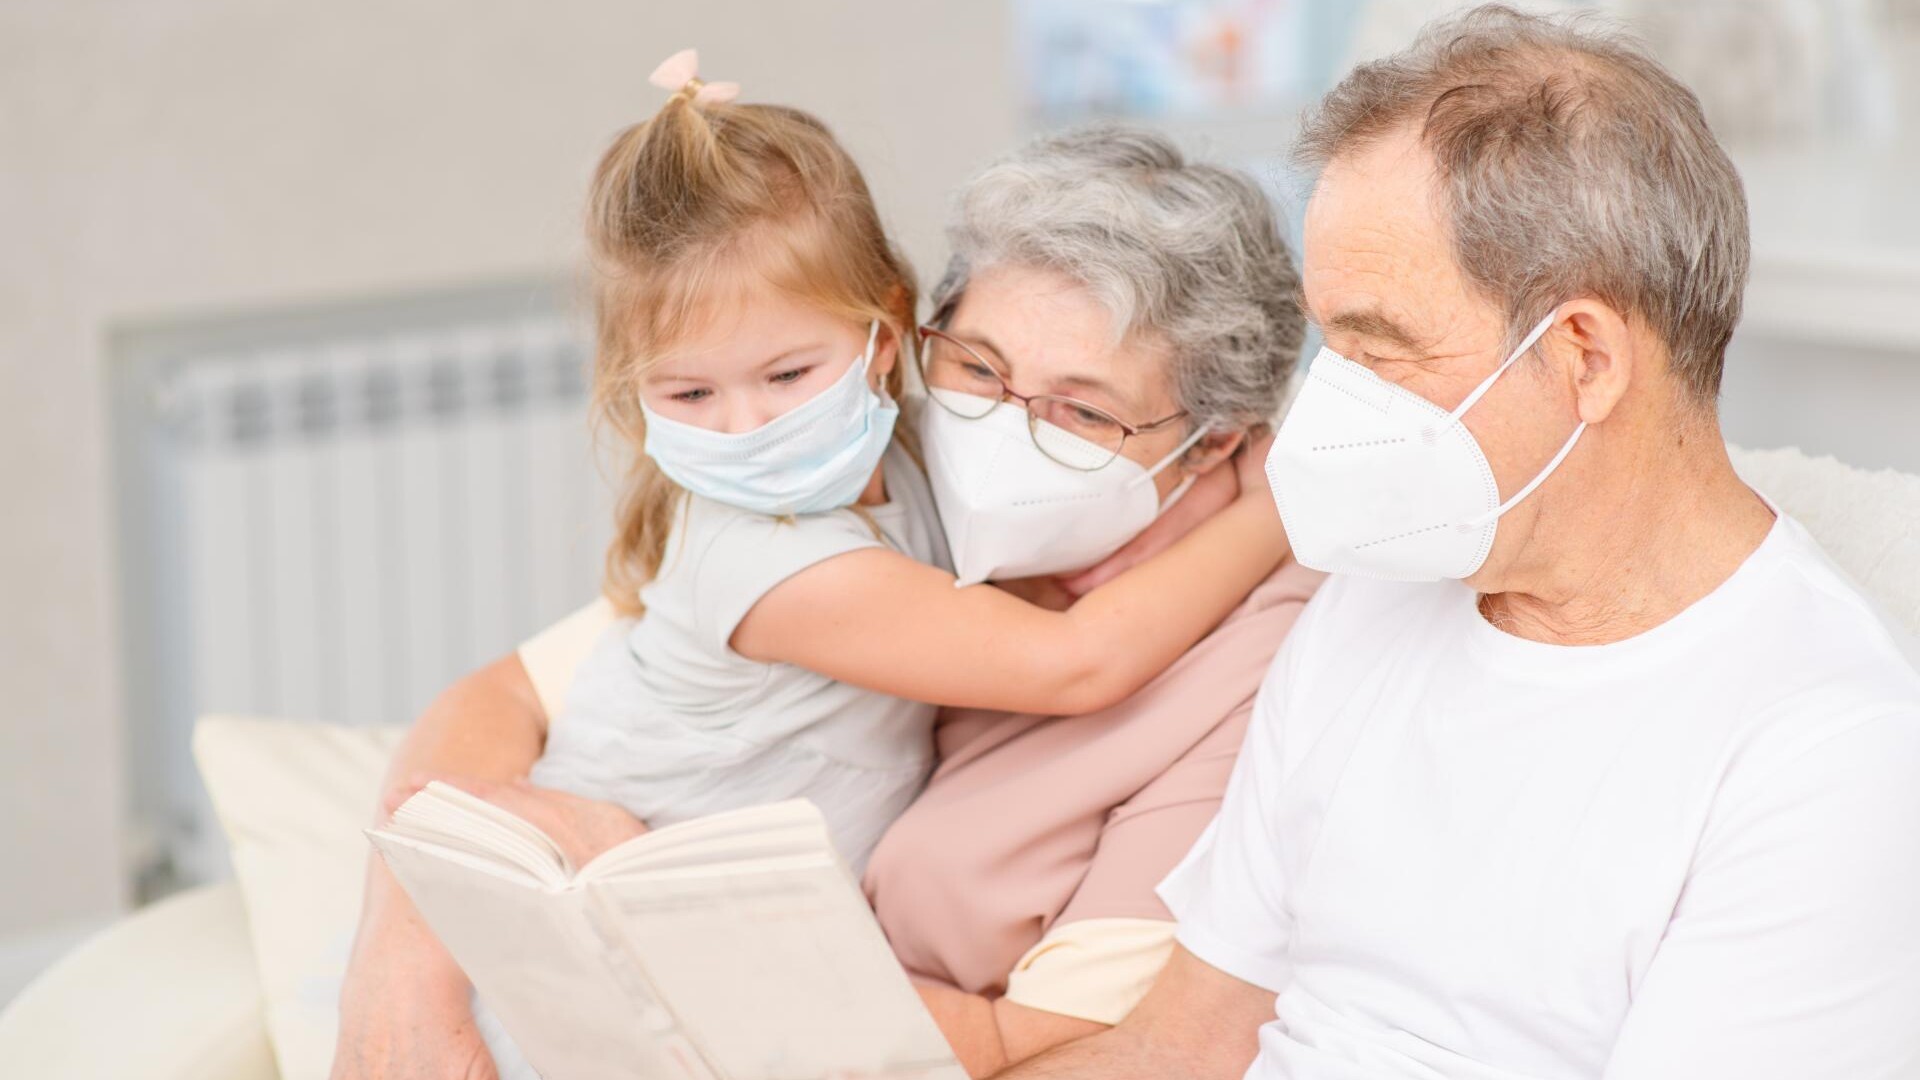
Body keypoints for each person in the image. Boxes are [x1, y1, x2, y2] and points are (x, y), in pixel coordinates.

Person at [995, 7, 1920, 1079]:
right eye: (1326, 343)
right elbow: (1182, 1041)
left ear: (1585, 357)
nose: (1319, 411)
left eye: (1375, 350)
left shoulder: (1827, 755)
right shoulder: (1380, 592)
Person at [331, 94, 1309, 1080]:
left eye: (1083, 411)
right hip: (608, 966)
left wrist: (1271, 513)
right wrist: (402, 967)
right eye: (976, 363)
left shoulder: (1247, 663)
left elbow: (1120, 1034)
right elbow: (502, 697)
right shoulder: (793, 521)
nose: (746, 427)